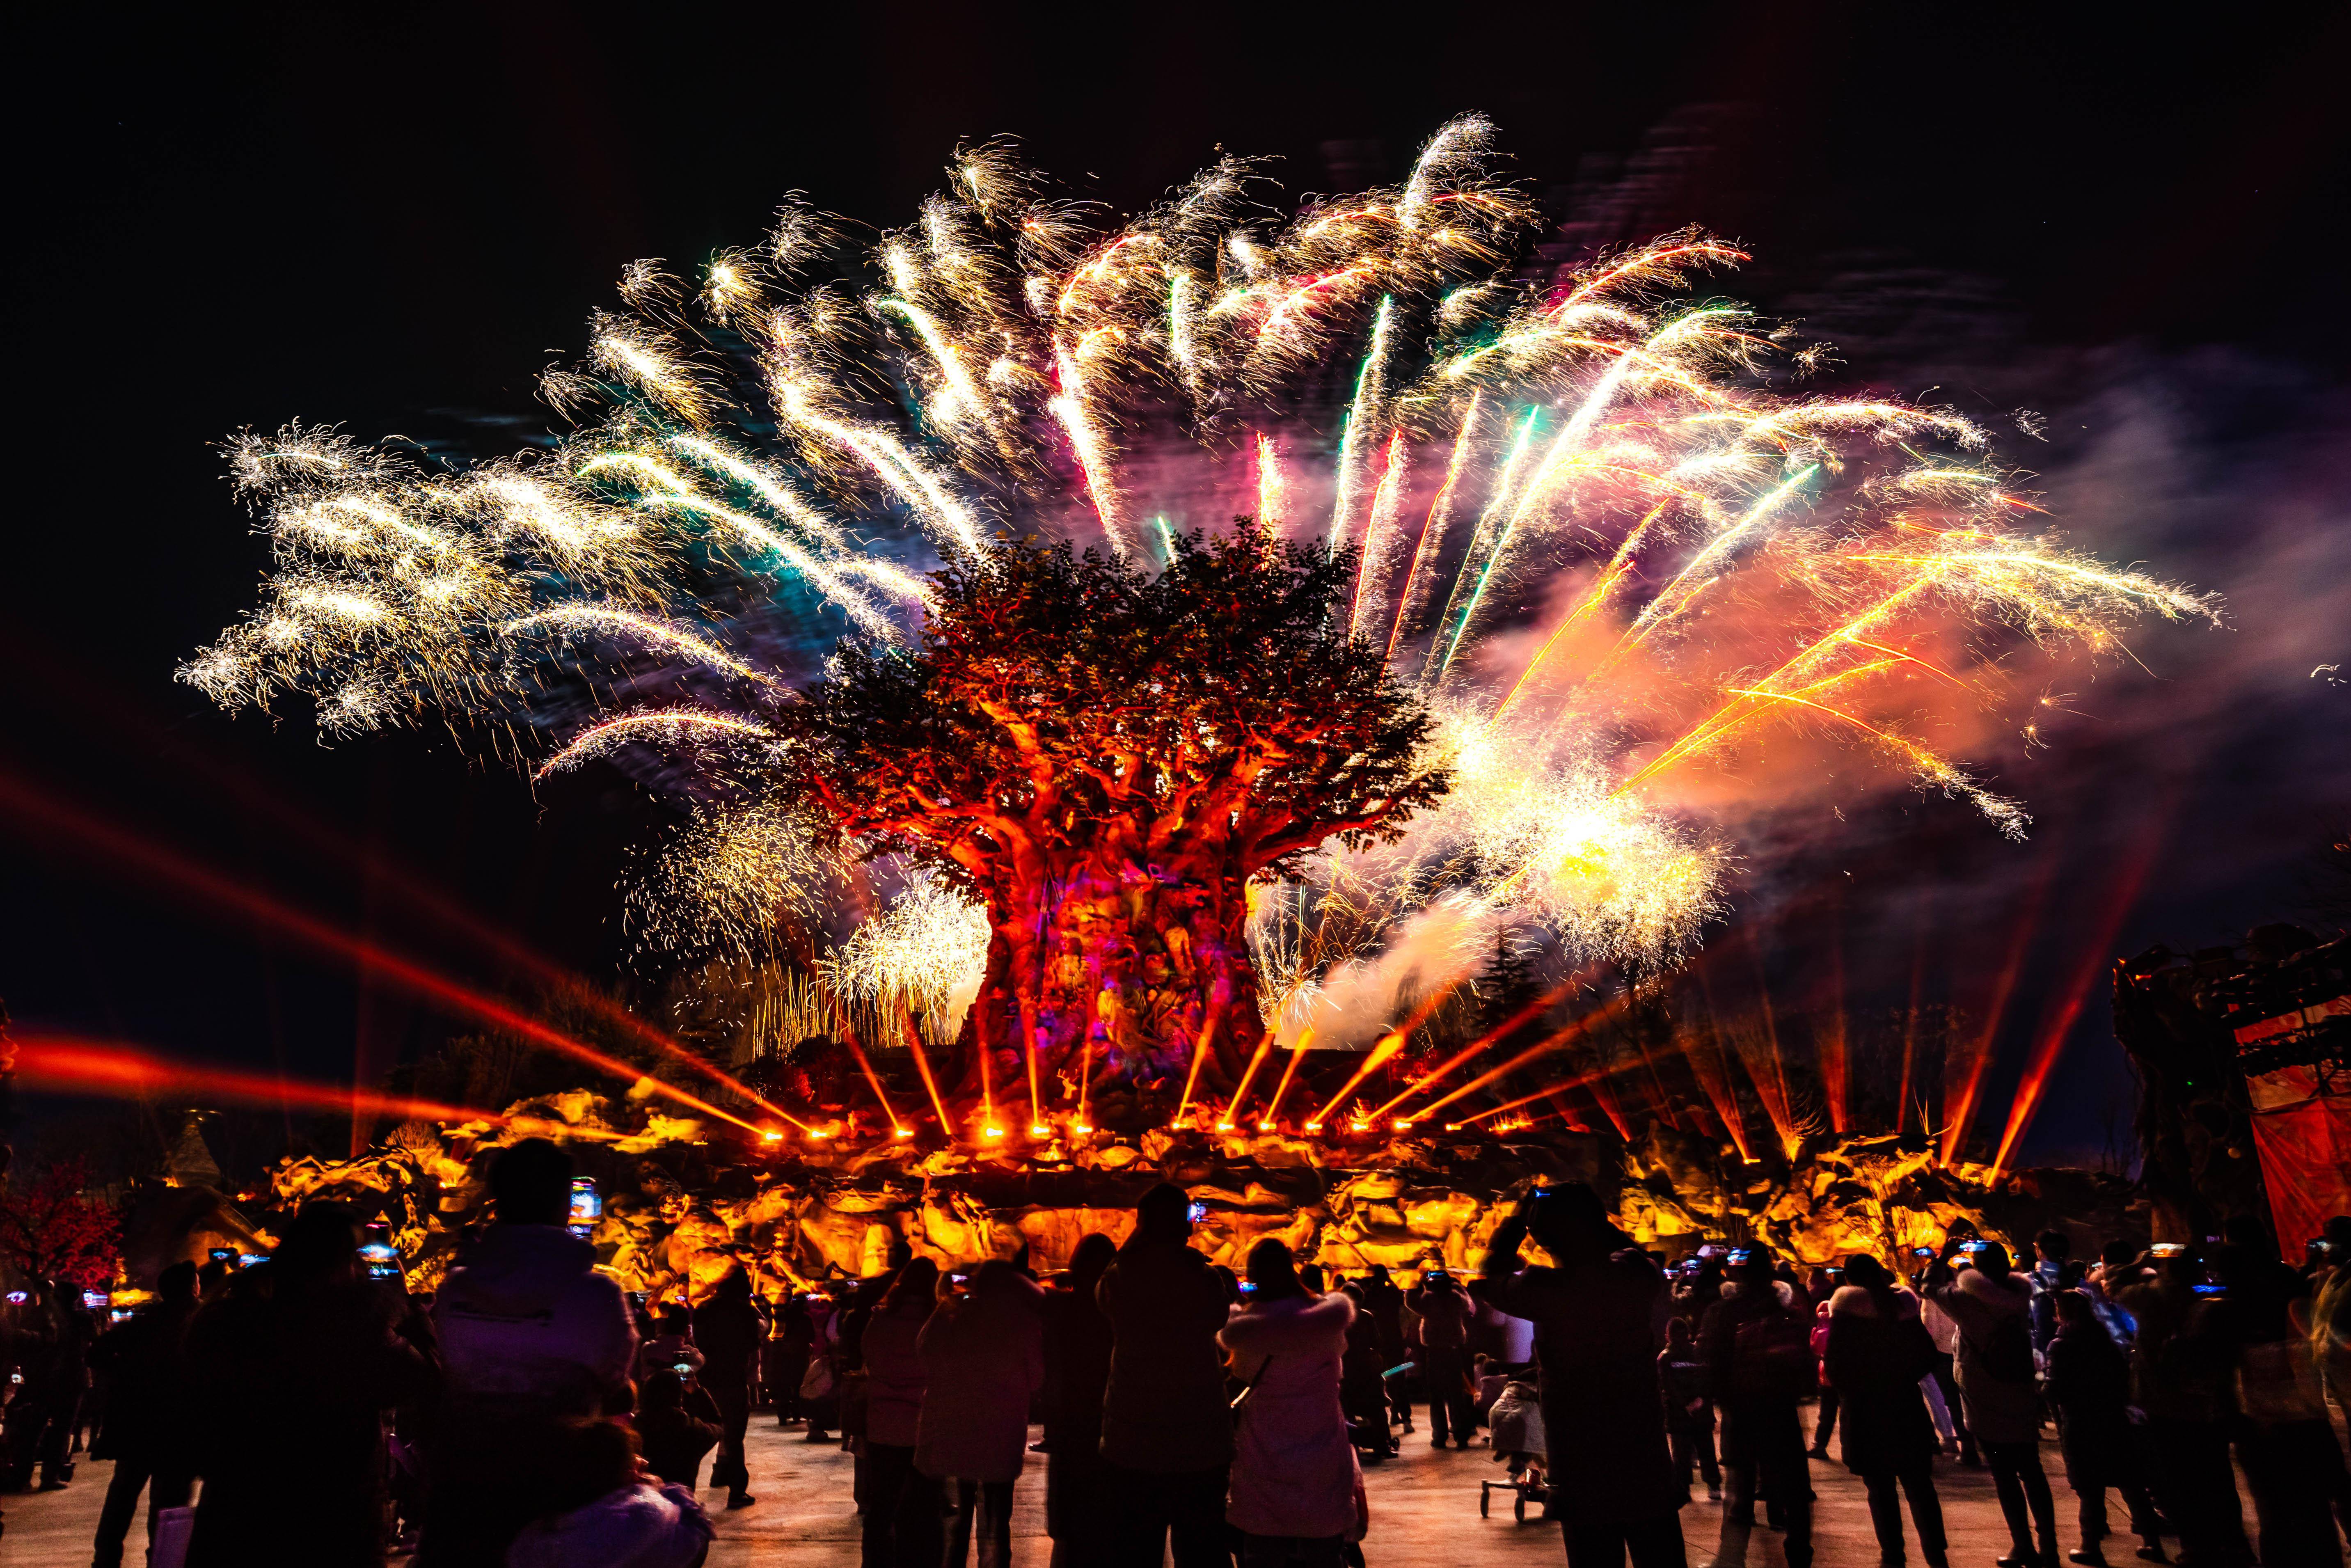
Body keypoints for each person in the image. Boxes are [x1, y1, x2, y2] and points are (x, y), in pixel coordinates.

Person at [422, 1138, 638, 1568]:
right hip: (560, 1494)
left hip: (463, 1488)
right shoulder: (596, 1295)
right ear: (566, 1203)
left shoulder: (453, 1291)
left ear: (497, 1200)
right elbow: (616, 1384)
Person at [183, 1202, 436, 1567]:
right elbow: (423, 1378)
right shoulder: (352, 1331)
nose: (363, 1268)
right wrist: (407, 1307)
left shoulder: (224, 1320)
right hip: (332, 1521)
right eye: (355, 1257)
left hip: (237, 1513)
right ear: (336, 1267)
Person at [1477, 1183, 1687, 1568]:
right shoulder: (1635, 1276)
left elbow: (1492, 1274)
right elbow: (1641, 1255)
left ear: (1541, 1236)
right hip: (1643, 1457)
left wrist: (1517, 1223)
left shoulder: (1541, 1289)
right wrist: (1594, 1221)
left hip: (1580, 1461)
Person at [1096, 1183, 1237, 1567]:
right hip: (1200, 1433)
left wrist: (1135, 1243)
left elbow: (1103, 1300)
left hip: (1134, 1432)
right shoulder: (1202, 1277)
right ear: (1184, 1226)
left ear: (1142, 1224)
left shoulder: (1120, 1276)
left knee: (1136, 1546)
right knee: (1203, 1545)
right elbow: (1219, 1316)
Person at [1219, 1238, 1362, 1568]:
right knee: (1322, 1544)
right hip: (1321, 1441)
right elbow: (1339, 1358)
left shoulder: (1247, 1332)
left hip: (1264, 1446)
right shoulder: (1327, 1321)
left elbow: (1241, 1374)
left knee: (1264, 1543)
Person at [2206, 1243, 2346, 1565]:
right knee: (2311, 1513)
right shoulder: (2286, 1295)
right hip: (2299, 1424)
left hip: (2264, 1427)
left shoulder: (2226, 1312)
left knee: (2277, 1514)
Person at [1924, 1239, 2059, 1568]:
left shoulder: (1965, 1299)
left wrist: (1941, 1256)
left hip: (1985, 1394)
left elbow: (1929, 1286)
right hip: (2020, 1388)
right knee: (2032, 1471)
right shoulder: (2020, 1296)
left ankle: (2022, 1544)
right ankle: (2049, 1548)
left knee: (2004, 1474)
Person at [2115, 1245, 2253, 1566]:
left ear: (2165, 1269)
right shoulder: (2212, 1298)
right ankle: (2233, 1543)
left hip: (2166, 1403)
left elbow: (2111, 1284)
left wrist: (2141, 1260)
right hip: (2209, 1401)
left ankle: (2196, 1546)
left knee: (2179, 1479)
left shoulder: (2148, 1295)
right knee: (2217, 1476)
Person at [1822, 1254, 1947, 1568]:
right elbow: (1927, 1355)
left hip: (1865, 1412)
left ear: (1848, 1278)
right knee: (1919, 1486)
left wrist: (1857, 1387)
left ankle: (1892, 1556)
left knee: (1880, 1489)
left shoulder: (1845, 1314)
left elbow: (1835, 1366)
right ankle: (1936, 1555)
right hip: (1904, 1407)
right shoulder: (1902, 1307)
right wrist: (1901, 1377)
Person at [917, 1258, 1043, 1568]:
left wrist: (946, 1302)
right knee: (997, 1519)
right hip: (1002, 1429)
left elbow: (924, 1351)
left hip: (957, 1426)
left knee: (957, 1518)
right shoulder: (1020, 1322)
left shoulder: (954, 1316)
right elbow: (1037, 1376)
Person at [1699, 1251, 1815, 1568]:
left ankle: (1732, 1558)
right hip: (1782, 1412)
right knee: (1794, 1490)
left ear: (1739, 1275)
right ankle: (1800, 1555)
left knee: (1739, 1489)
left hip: (1741, 1412)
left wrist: (1719, 1399)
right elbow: (1805, 1366)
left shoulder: (1723, 1311)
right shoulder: (1787, 1309)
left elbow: (1709, 1364)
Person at [87, 1260, 199, 1568]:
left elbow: (96, 1354)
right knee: (170, 1502)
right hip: (178, 1426)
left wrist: (127, 1373)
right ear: (192, 1286)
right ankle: (163, 1558)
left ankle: (106, 1557)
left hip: (137, 1425)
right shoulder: (201, 1321)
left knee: (122, 1495)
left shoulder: (143, 1323)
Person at [2042, 1289, 2161, 1566]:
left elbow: (2054, 1388)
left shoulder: (2061, 1344)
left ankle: (2090, 1546)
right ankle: (2151, 1542)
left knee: (2089, 1487)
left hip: (2080, 1421)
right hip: (2112, 1418)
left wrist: (2042, 1383)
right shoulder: (2103, 1338)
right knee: (2130, 1483)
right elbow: (2122, 1378)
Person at [505, 1415, 713, 1568]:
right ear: (615, 1469)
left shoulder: (534, 1539)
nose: (644, 1462)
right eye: (633, 1457)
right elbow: (695, 1541)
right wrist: (667, 1491)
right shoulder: (646, 1521)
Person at [1039, 1234, 1117, 1568]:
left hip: (1071, 1418)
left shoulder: (1061, 1309)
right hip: (1111, 1415)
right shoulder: (1121, 1314)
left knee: (1071, 1506)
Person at [691, 1269, 761, 1509]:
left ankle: (702, 1483)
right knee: (734, 1436)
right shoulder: (745, 1311)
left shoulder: (704, 1308)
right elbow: (755, 1342)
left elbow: (698, 1340)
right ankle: (737, 1491)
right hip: (733, 1379)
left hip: (706, 1379)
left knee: (700, 1432)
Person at [1406, 1267, 1476, 1448]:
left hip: (1434, 1352)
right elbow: (1467, 1303)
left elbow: (1411, 1302)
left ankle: (1439, 1436)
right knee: (1456, 1394)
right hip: (1453, 1351)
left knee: (1436, 1396)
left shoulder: (1428, 1299)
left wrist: (1420, 1282)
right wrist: (1458, 1286)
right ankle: (1461, 1436)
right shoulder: (1456, 1298)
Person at [1657, 1316, 1720, 1502]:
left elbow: (1667, 1386)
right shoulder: (1699, 1353)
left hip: (1679, 1414)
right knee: (1706, 1449)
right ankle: (1714, 1485)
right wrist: (1701, 1400)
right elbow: (1708, 1380)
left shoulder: (1665, 1357)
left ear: (1668, 1335)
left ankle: (1684, 1489)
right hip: (1702, 1413)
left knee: (1681, 1455)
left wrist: (1685, 1404)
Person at [632, 1369, 721, 1492]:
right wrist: (697, 1391)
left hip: (640, 1504)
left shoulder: (631, 1430)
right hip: (682, 1505)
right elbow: (718, 1426)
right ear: (680, 1400)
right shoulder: (693, 1430)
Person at [1358, 1264, 1412, 1436]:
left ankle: (1387, 1416)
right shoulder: (1392, 1293)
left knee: (1379, 1380)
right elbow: (1401, 1295)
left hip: (1376, 1346)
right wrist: (1390, 1281)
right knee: (1398, 1379)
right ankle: (1404, 1418)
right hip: (1394, 1342)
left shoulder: (1369, 1295)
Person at [766, 1292, 815, 1427]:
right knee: (798, 1385)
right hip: (800, 1355)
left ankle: (782, 1415)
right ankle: (796, 1414)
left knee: (784, 1385)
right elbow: (812, 1336)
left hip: (783, 1356)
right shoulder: (806, 1319)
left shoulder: (782, 1316)